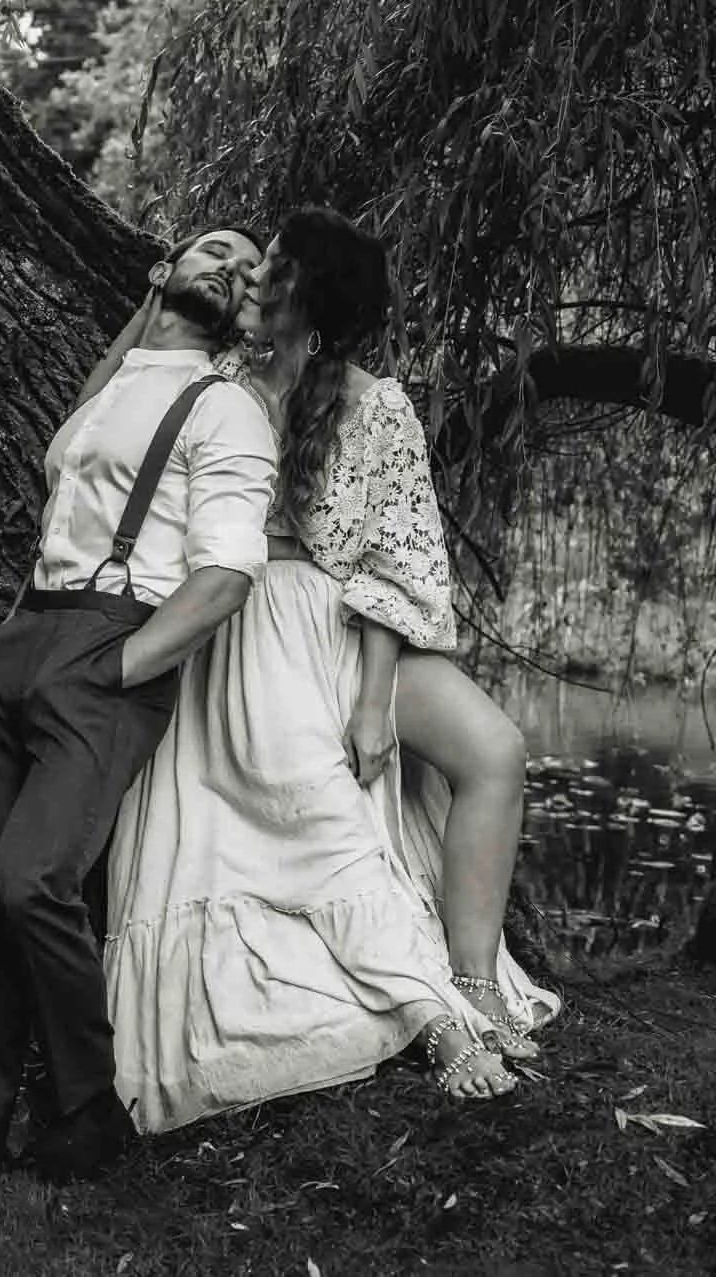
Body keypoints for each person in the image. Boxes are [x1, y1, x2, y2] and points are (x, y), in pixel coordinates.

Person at [98, 206, 560, 1135]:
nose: (256, 274)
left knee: (496, 750)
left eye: (272, 262)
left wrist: (374, 701)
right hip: (238, 623)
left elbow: (394, 562)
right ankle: (423, 1003)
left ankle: (470, 971)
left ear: (306, 289)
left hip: (348, 626)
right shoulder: (213, 378)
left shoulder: (375, 404)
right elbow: (106, 402)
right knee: (308, 797)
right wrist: (147, 302)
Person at [0, 225, 278, 1187]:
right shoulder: (107, 393)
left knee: (32, 880)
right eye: (217, 249)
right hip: (24, 640)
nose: (235, 268)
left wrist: (118, 667)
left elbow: (226, 574)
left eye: (253, 270)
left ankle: (90, 1106)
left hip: (108, 646)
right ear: (163, 270)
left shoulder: (227, 409)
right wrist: (6, 649)